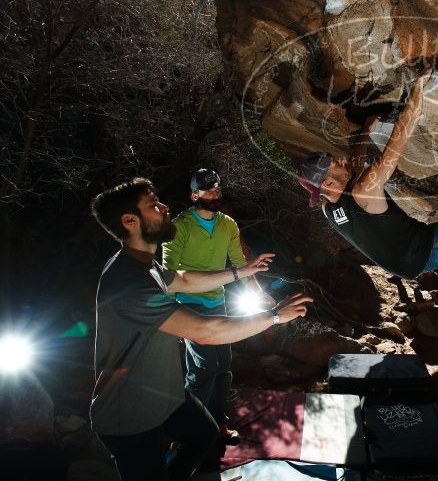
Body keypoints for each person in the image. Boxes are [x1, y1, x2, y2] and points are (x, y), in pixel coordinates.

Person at [90, 178, 310, 481]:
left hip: (166, 395)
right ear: (130, 221)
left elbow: (186, 279)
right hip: (129, 414)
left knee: (204, 433)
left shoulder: (144, 264)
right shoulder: (128, 282)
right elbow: (206, 331)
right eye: (154, 205)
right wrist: (273, 316)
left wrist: (241, 271)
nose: (166, 207)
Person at [298, 69, 438, 295]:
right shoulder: (363, 192)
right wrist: (416, 92)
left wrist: (366, 131)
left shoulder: (328, 207)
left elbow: (355, 166)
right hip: (426, 252)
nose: (340, 160)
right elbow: (399, 139)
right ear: (328, 183)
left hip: (408, 261)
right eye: (333, 163)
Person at [161, 169, 270, 442]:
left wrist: (260, 293)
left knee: (223, 365)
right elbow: (167, 272)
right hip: (188, 304)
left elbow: (240, 265)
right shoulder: (180, 226)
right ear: (194, 195)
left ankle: (217, 423)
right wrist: (167, 316)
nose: (214, 194)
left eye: (217, 189)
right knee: (203, 365)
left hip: (217, 301)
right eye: (208, 190)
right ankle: (189, 429)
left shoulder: (228, 225)